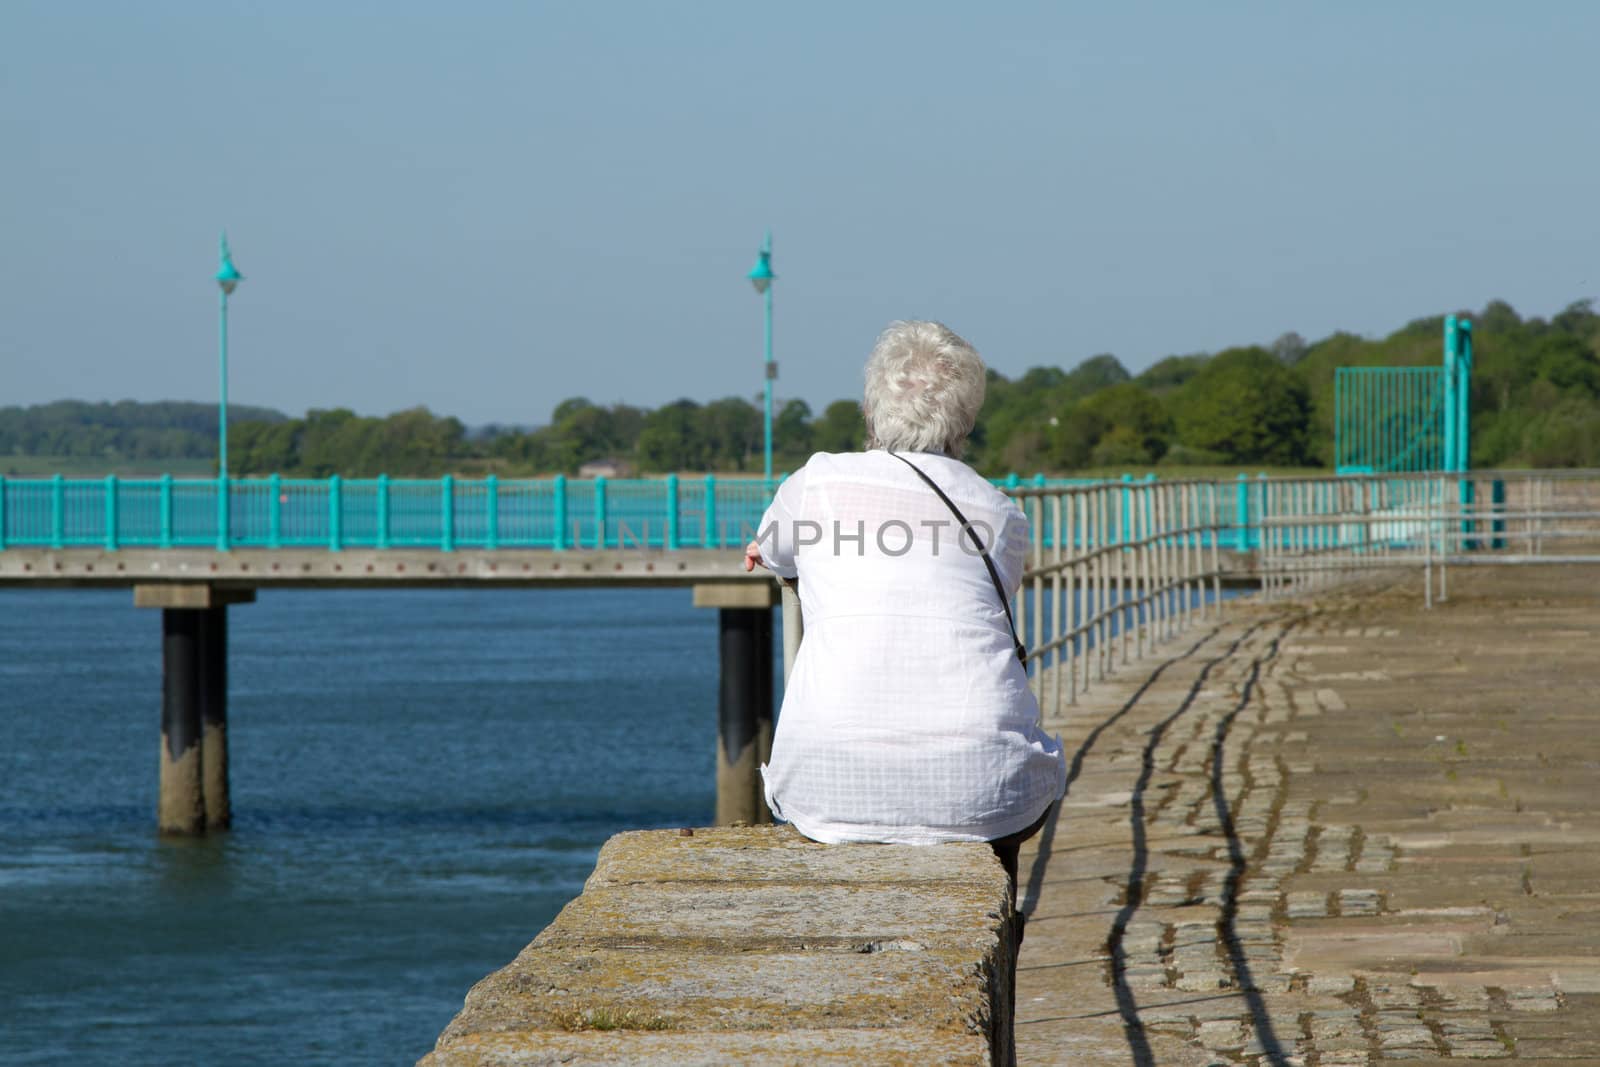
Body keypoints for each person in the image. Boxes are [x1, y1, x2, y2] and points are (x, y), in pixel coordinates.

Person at [742, 320, 1066, 911]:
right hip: (981, 783)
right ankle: (998, 932)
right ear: (965, 423)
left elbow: (773, 548)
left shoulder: (816, 483)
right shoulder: (998, 513)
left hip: (823, 784)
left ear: (871, 409)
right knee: (1024, 774)